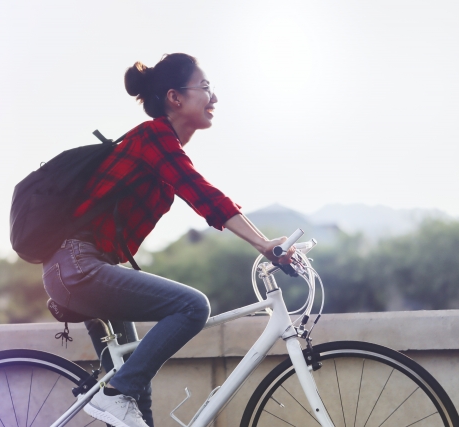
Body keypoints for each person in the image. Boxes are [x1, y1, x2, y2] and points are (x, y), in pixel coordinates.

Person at [42, 53, 294, 427]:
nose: (215, 98)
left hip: (86, 267)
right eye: (206, 88)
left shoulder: (160, 146)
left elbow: (198, 194)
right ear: (176, 98)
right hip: (77, 265)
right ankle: (117, 394)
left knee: (135, 405)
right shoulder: (154, 137)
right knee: (192, 307)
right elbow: (203, 194)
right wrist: (264, 244)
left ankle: (120, 395)